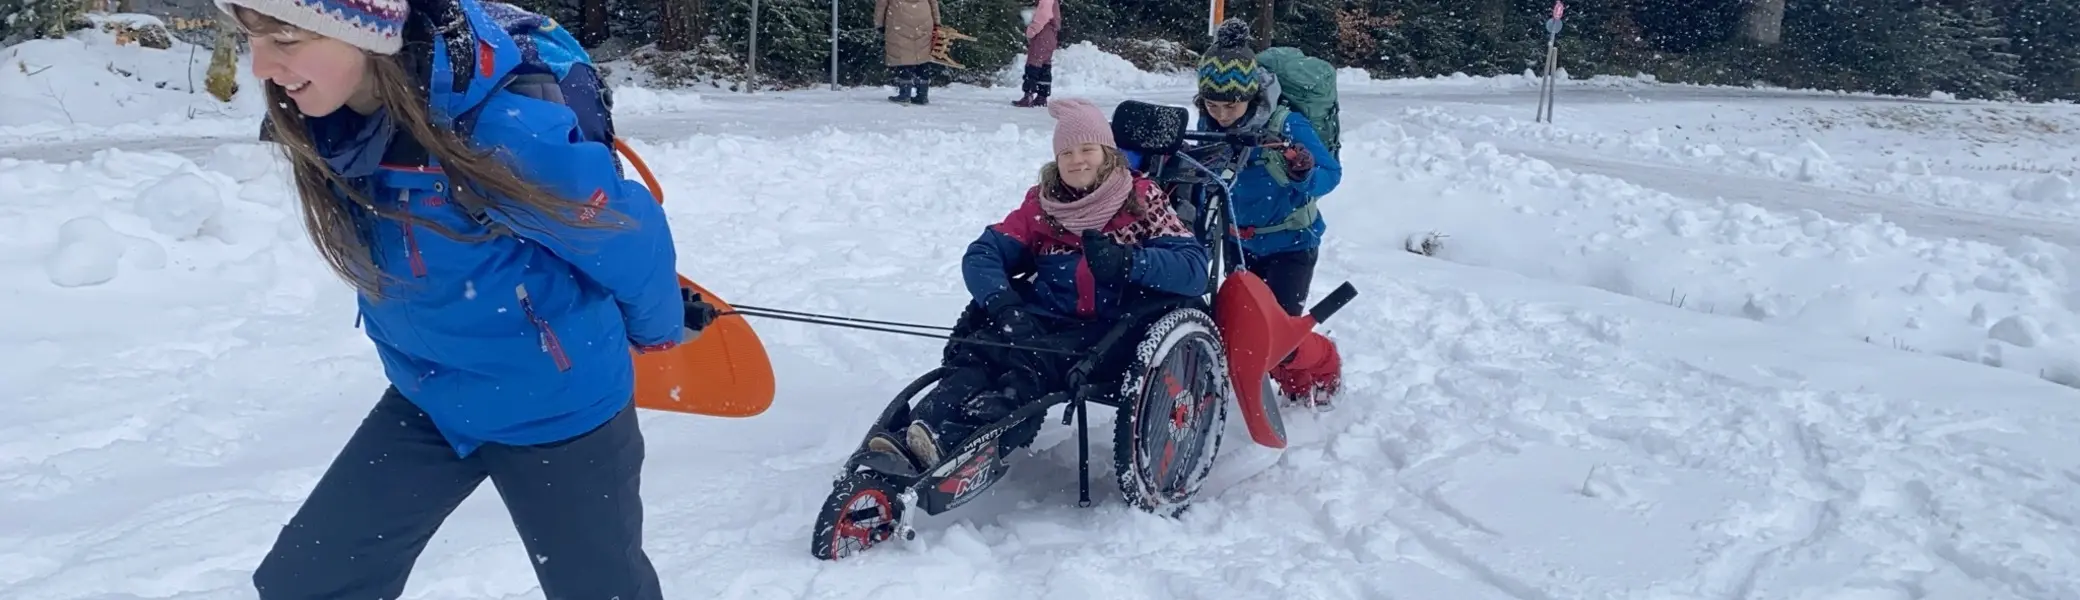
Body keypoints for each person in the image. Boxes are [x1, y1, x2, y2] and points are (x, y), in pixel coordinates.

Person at [215, 0, 713, 597]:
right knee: (308, 582)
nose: (262, 67)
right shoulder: (336, 124)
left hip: (558, 410)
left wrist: (657, 330)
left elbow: (625, 237)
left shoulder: (496, 134)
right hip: (430, 397)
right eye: (253, 39)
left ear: (364, 34)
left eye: (286, 40)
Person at [873, 98, 1210, 468]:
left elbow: (1193, 270)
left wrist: (1129, 261)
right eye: (1067, 152)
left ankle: (961, 443)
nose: (1077, 160)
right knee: (981, 349)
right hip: (1046, 315)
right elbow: (983, 253)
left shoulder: (1142, 199)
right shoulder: (1043, 205)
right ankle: (916, 432)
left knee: (1031, 365)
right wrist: (1003, 305)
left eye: (1087, 149)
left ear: (1109, 154)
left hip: (1111, 327)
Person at [1192, 21, 1346, 405]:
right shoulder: (1208, 121)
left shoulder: (1285, 123)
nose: (1222, 115)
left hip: (1290, 242)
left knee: (1277, 339)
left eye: (1231, 105)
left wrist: (1303, 171)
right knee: (1245, 332)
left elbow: (1331, 174)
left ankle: (1324, 364)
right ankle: (1295, 392)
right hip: (1238, 243)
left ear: (1252, 96)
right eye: (1212, 105)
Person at [876, 0, 942, 105]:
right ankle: (922, 94)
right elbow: (933, 2)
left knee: (903, 56)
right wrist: (937, 21)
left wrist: (879, 23)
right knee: (922, 55)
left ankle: (904, 94)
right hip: (923, 18)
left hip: (898, 18)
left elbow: (881, 4)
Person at [1013, 0, 1058, 107]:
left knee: (1033, 64)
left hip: (1042, 33)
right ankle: (1042, 96)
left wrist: (1031, 30)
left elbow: (1043, 14)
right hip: (1051, 34)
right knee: (1045, 65)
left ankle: (1028, 95)